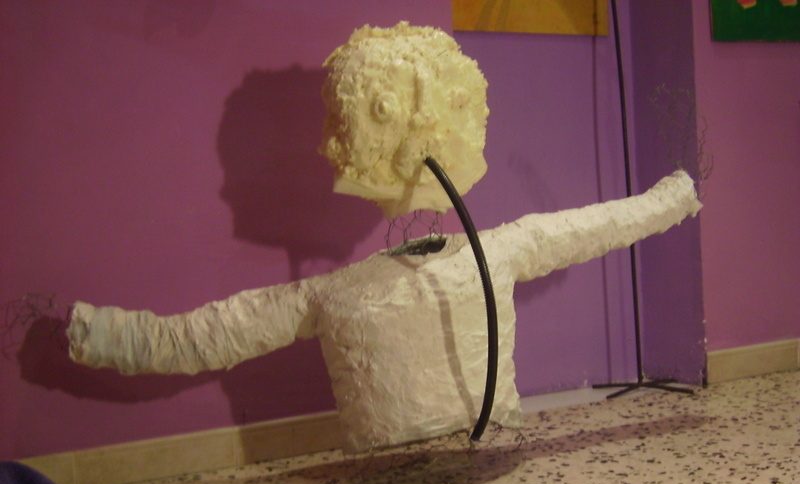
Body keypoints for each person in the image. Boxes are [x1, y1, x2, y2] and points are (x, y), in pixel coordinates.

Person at [67, 23, 702, 454]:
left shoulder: (362, 288)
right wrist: (106, 336)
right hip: (435, 459)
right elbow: (212, 333)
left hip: (472, 452)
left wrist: (674, 196)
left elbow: (592, 229)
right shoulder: (346, 293)